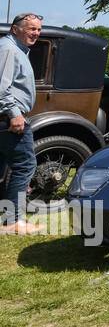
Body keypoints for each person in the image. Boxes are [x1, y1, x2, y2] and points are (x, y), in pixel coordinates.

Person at [0, 13, 43, 234]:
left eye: (38, 29)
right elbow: (1, 87)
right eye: (31, 28)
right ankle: (12, 221)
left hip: (6, 118)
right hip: (10, 120)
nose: (35, 33)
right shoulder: (8, 49)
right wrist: (14, 114)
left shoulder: (15, 49)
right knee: (25, 165)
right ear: (15, 29)